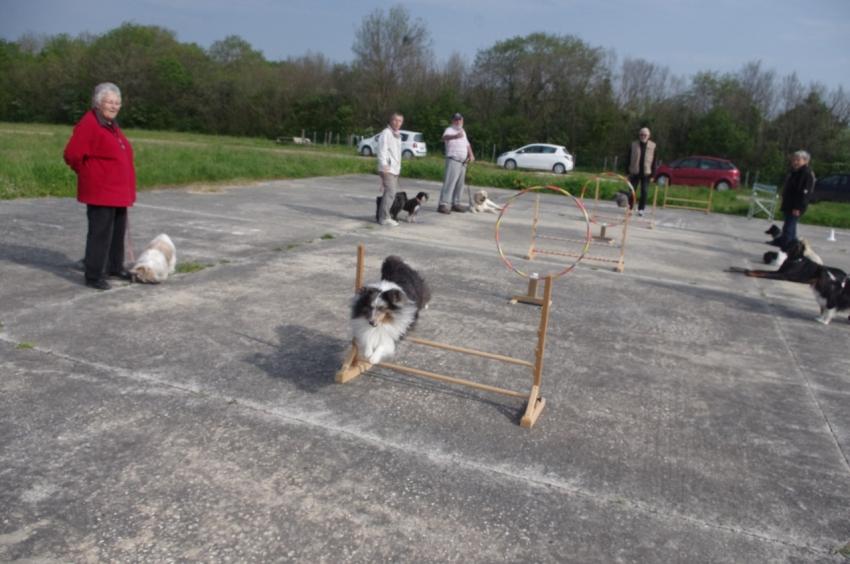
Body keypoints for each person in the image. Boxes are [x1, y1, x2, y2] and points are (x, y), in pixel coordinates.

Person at [64, 82, 136, 290]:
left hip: (118, 192)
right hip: (101, 191)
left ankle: (114, 267)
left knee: (117, 232)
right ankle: (94, 274)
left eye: (117, 102)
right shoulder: (90, 123)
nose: (114, 106)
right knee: (100, 233)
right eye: (109, 102)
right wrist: (88, 172)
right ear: (98, 103)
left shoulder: (110, 124)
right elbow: (71, 154)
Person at [772, 150, 815, 247]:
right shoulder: (795, 172)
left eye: (798, 160)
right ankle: (794, 247)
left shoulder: (806, 174)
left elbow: (804, 193)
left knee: (789, 228)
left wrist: (798, 207)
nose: (795, 162)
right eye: (793, 160)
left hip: (796, 206)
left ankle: (786, 249)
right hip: (789, 204)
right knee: (790, 227)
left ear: (805, 161)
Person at [438, 113, 475, 214]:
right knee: (450, 183)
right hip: (453, 160)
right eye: (456, 120)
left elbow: (467, 144)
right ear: (452, 121)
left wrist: (471, 155)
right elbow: (444, 138)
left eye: (460, 120)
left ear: (462, 121)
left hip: (463, 162)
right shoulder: (449, 130)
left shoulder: (463, 131)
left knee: (460, 184)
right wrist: (455, 136)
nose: (458, 122)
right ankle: (443, 204)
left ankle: (456, 203)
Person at [376, 112, 404, 226]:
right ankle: (384, 218)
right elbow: (381, 149)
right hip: (387, 168)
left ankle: (383, 215)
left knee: (389, 192)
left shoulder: (397, 135)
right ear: (390, 121)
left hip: (394, 169)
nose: (397, 123)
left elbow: (396, 154)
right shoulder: (386, 133)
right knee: (391, 192)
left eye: (400, 121)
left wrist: (398, 168)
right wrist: (384, 165)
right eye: (395, 120)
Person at [627, 127, 656, 217]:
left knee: (644, 191)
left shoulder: (653, 146)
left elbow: (654, 161)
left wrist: (653, 175)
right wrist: (627, 172)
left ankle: (641, 209)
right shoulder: (633, 144)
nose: (643, 136)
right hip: (634, 172)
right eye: (641, 134)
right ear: (639, 135)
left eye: (645, 135)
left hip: (646, 173)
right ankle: (630, 208)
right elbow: (627, 158)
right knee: (632, 191)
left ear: (649, 136)